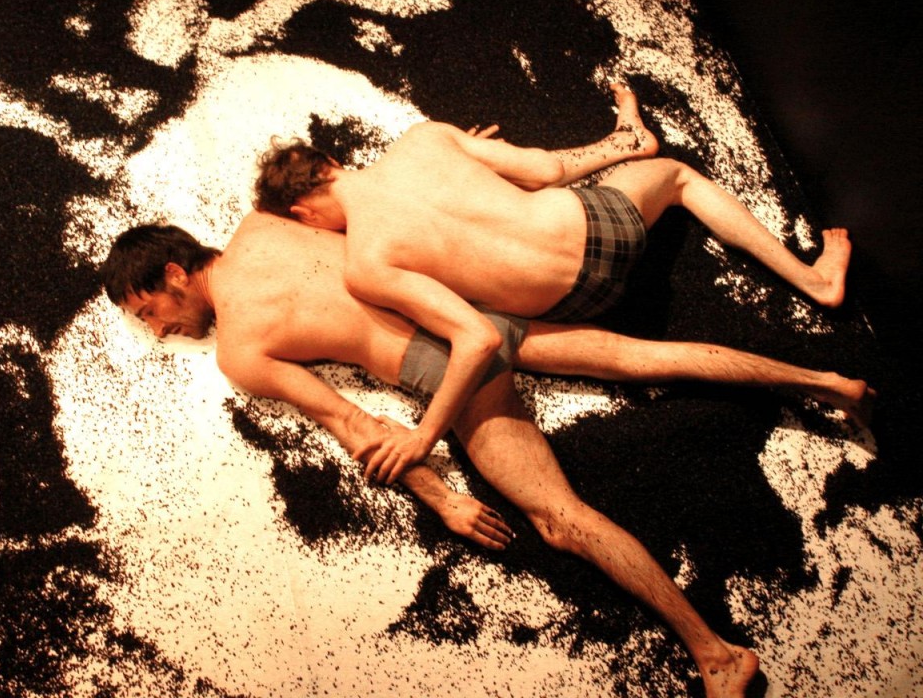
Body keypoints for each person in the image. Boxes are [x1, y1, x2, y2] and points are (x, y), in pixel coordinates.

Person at [100, 215, 873, 698]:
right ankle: (828, 384)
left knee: (560, 519)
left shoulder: (239, 349)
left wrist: (443, 499)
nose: (161, 331)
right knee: (643, 357)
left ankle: (717, 654)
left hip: (443, 369)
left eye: (150, 312)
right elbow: (375, 207)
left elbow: (354, 423)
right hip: (472, 310)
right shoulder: (264, 224)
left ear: (173, 273)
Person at [252, 84, 854, 479]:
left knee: (534, 303)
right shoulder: (423, 140)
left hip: (578, 301)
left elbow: (478, 339)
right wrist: (465, 158)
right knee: (674, 176)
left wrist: (423, 436)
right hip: (607, 229)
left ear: (304, 214)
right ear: (332, 164)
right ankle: (814, 279)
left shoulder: (365, 264)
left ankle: (631, 141)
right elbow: (545, 169)